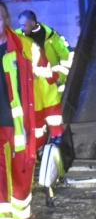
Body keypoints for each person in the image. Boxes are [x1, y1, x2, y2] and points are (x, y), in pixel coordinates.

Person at [0, 1, 39, 219]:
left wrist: (51, 125)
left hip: (17, 130)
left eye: (1, 17)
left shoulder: (22, 49)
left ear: (7, 19)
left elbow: (41, 85)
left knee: (20, 192)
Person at [17, 10, 71, 142]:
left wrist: (59, 78)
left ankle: (56, 140)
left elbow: (67, 57)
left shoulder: (51, 36)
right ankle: (39, 145)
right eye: (21, 25)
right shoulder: (17, 37)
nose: (22, 28)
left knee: (53, 114)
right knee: (36, 117)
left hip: (50, 82)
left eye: (24, 25)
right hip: (32, 84)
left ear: (33, 23)